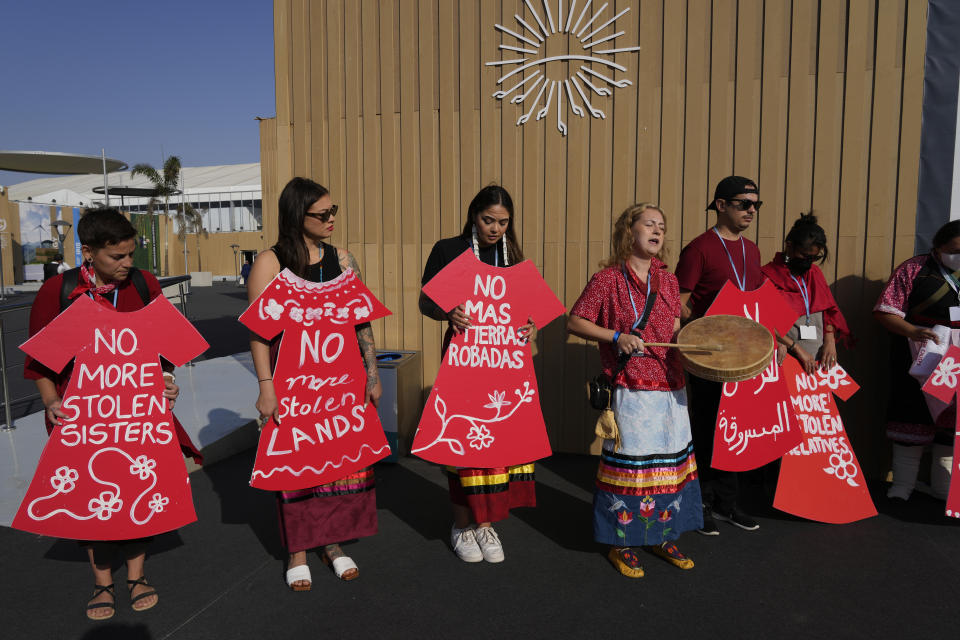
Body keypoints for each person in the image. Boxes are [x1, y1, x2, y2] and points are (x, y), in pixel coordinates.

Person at [24, 207, 191, 620]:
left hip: (136, 412)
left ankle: (137, 576)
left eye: (131, 254)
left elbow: (167, 343)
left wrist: (166, 378)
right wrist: (50, 402)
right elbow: (40, 362)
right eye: (117, 257)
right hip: (80, 415)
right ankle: (102, 584)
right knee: (88, 498)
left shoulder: (142, 283)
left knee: (139, 489)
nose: (127, 264)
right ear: (88, 252)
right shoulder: (58, 292)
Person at [247, 177, 382, 590]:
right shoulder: (271, 263)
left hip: (342, 382)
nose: (331, 219)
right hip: (294, 385)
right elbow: (258, 331)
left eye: (333, 211)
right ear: (296, 215)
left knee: (340, 464)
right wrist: (265, 385)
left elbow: (360, 319)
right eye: (322, 214)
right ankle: (298, 551)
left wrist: (372, 374)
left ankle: (334, 544)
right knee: (296, 468)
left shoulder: (343, 260)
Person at [567, 203, 703, 578]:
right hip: (632, 387)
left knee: (669, 464)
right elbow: (575, 320)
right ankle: (622, 541)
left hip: (672, 386)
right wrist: (616, 336)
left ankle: (663, 534)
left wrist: (697, 346)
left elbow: (674, 329)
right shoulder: (606, 280)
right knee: (633, 467)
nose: (657, 231)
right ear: (630, 231)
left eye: (662, 226)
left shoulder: (670, 281)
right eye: (649, 224)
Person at [419, 184, 534, 564]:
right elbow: (426, 300)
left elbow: (525, 309)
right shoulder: (449, 250)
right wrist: (448, 311)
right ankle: (461, 524)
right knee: (462, 445)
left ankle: (486, 523)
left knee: (496, 446)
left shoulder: (512, 256)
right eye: (488, 220)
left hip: (502, 364)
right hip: (462, 360)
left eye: (503, 222)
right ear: (473, 215)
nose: (496, 228)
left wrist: (529, 327)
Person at [675, 175, 763, 535]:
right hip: (710, 356)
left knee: (736, 429)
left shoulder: (752, 250)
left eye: (756, 204)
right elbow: (678, 303)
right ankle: (702, 503)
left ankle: (728, 504)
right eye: (744, 203)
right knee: (707, 427)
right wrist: (704, 331)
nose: (752, 210)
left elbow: (758, 300)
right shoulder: (699, 249)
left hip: (744, 358)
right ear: (721, 205)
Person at [873, 220, 960, 501]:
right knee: (912, 414)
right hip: (919, 355)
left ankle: (942, 489)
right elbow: (885, 310)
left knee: (952, 421)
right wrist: (912, 331)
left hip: (956, 360)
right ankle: (902, 487)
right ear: (938, 247)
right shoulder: (914, 269)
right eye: (955, 250)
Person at [761, 214, 852, 372]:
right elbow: (762, 320)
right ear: (789, 246)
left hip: (816, 357)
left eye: (813, 257)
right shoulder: (767, 276)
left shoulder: (814, 273)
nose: (808, 262)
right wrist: (796, 348)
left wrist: (830, 341)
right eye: (804, 255)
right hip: (786, 358)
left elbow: (829, 310)